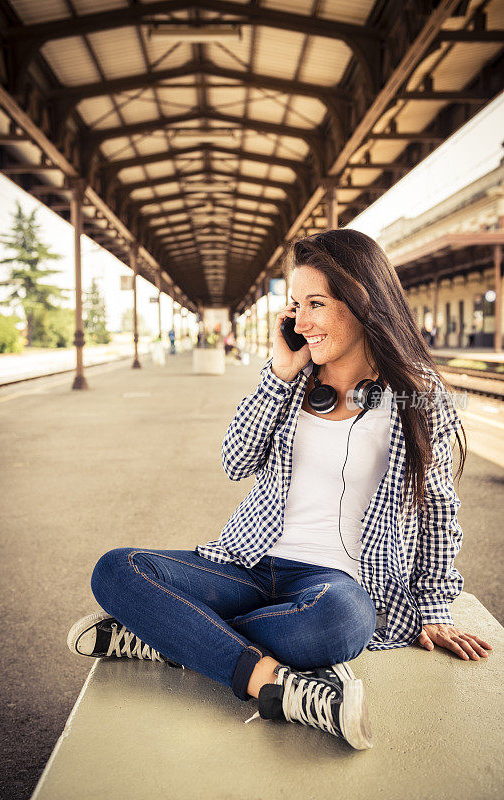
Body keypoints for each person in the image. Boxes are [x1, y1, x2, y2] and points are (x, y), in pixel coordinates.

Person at [67, 229, 492, 751]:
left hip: (333, 587)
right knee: (117, 569)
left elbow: (438, 514)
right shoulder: (291, 382)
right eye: (296, 304)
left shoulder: (419, 398)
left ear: (364, 302)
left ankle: (168, 635)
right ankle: (274, 685)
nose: (301, 321)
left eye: (317, 303)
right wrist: (279, 373)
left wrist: (434, 608)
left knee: (343, 623)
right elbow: (235, 460)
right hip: (249, 564)